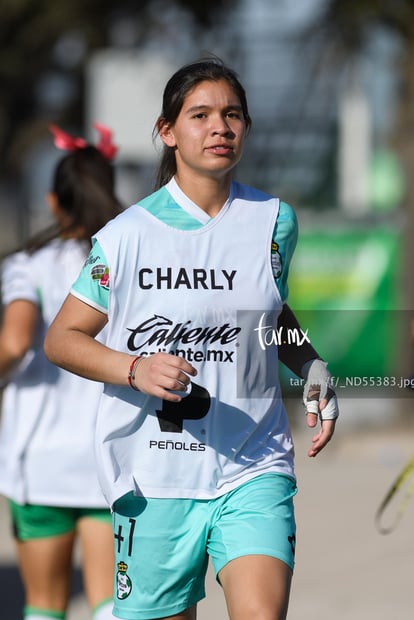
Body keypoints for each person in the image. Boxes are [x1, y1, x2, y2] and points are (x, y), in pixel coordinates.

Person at [44, 58, 339, 620]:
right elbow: (63, 339)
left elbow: (268, 315)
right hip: (155, 476)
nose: (219, 127)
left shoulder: (275, 222)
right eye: (200, 115)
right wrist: (134, 368)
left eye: (232, 115)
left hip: (254, 464)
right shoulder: (126, 236)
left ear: (246, 128)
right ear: (167, 131)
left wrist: (313, 366)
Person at [0, 123, 123, 620]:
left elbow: (13, 342)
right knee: (109, 604)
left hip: (40, 460)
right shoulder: (121, 259)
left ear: (54, 201)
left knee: (46, 605)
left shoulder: (27, 265)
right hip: (106, 458)